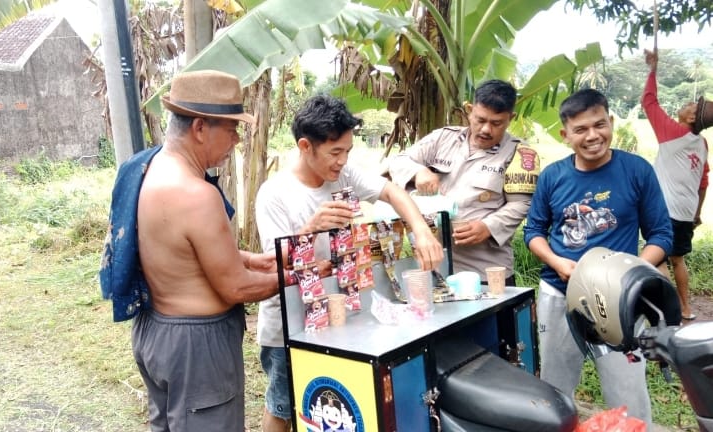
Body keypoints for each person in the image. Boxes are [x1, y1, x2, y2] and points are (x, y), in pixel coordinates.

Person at [102, 70, 280, 431]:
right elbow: (236, 288)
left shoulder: (144, 168)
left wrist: (257, 261)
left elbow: (184, 252)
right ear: (200, 127)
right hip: (196, 348)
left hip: (156, 333)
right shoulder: (197, 195)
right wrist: (299, 274)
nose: (236, 140)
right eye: (231, 129)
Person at [255, 94, 444, 431]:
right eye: (335, 152)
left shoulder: (343, 174)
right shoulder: (275, 193)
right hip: (288, 324)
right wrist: (311, 228)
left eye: (348, 151)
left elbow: (392, 192)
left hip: (337, 315)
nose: (342, 161)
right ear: (305, 146)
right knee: (283, 408)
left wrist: (420, 230)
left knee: (326, 404)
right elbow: (273, 264)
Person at [523, 88, 673, 428]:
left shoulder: (636, 170)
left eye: (599, 124)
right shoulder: (552, 176)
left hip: (620, 301)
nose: (593, 136)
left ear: (611, 122)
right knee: (555, 389)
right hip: (559, 294)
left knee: (628, 393)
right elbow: (533, 232)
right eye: (581, 129)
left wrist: (627, 274)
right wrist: (557, 262)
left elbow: (662, 235)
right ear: (565, 135)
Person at [387, 79, 539, 286]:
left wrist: (488, 227)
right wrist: (418, 171)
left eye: (496, 123)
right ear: (469, 110)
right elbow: (397, 162)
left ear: (510, 118)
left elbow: (522, 203)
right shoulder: (442, 138)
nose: (486, 129)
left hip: (485, 270)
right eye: (480, 120)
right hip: (434, 265)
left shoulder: (519, 153)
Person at [641, 48, 709, 321]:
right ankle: (685, 308)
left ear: (691, 118)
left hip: (665, 207)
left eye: (692, 105)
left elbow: (649, 102)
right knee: (677, 259)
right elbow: (703, 182)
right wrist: (697, 213)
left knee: (657, 256)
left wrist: (653, 69)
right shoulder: (702, 144)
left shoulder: (672, 132)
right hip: (686, 210)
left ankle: (668, 311)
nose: (688, 104)